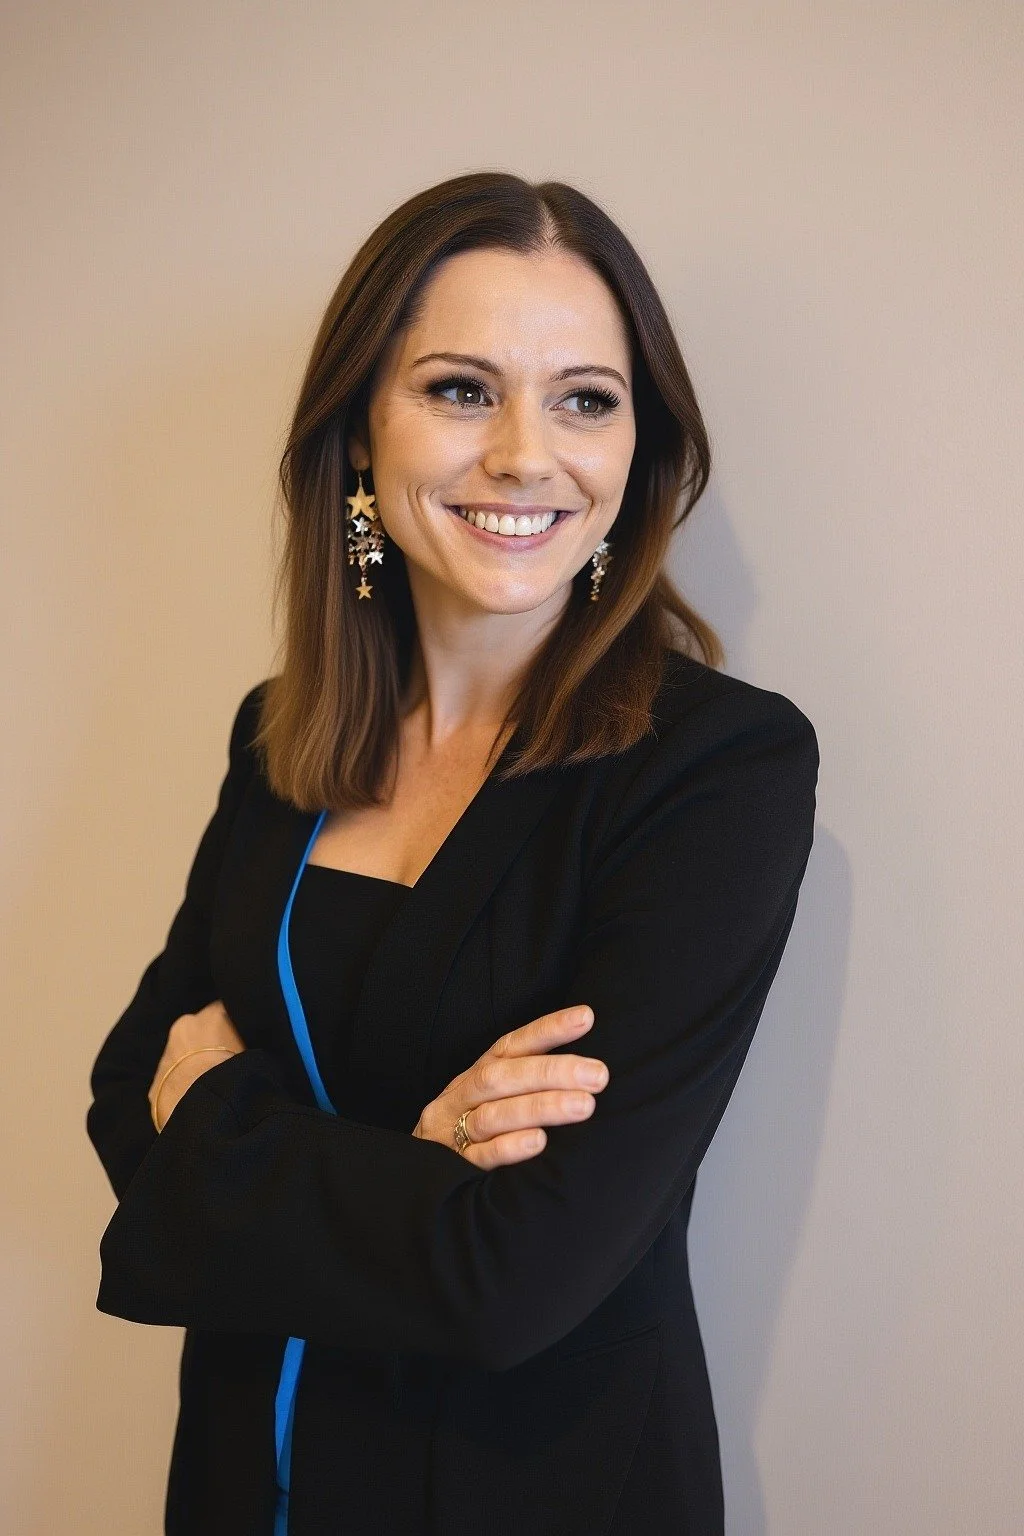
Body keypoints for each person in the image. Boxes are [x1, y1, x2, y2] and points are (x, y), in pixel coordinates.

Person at [87, 171, 820, 1536]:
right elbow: (129, 1100)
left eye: (585, 398)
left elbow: (515, 1276)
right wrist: (412, 1164)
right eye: (462, 389)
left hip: (536, 1494)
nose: (525, 454)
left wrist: (236, 1130)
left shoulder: (720, 771)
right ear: (361, 433)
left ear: (637, 450)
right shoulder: (281, 738)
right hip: (249, 1479)